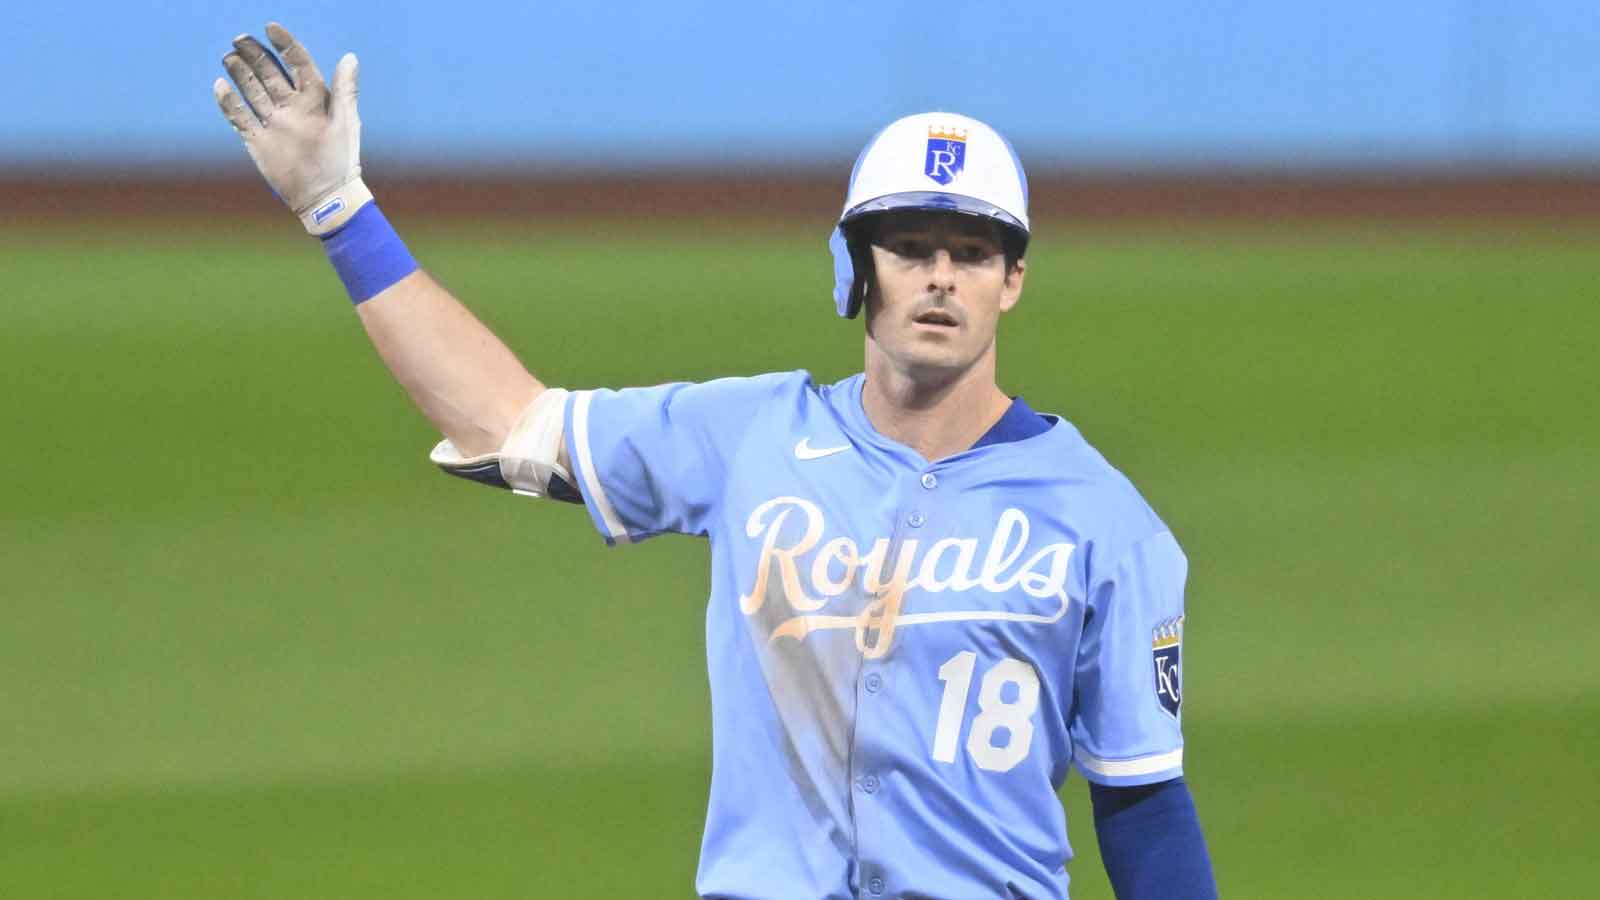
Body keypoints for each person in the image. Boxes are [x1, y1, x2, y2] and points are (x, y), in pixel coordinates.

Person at [213, 23, 1219, 900]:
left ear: (1013, 281)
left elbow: (1142, 801)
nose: (941, 278)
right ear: (854, 268)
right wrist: (339, 209)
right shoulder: (751, 435)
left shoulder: (1102, 519)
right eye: (909, 247)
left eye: (972, 252)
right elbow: (507, 424)